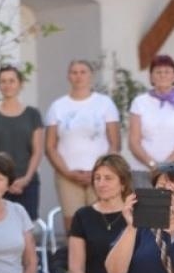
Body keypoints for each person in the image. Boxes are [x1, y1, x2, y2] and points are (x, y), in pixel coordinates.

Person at [44, 59, 121, 224]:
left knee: (101, 222)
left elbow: (114, 143)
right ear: (68, 76)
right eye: (74, 72)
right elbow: (50, 146)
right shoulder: (57, 106)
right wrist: (67, 172)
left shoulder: (105, 104)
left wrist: (100, 172)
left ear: (91, 76)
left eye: (83, 72)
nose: (78, 76)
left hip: (100, 176)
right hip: (68, 175)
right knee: (73, 224)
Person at [0, 65, 45, 219]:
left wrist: (26, 179)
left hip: (27, 182)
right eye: (3, 81)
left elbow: (37, 151)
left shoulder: (32, 115)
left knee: (27, 228)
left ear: (20, 84)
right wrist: (2, 180)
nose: (7, 85)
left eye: (11, 81)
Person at [128, 54, 174, 182]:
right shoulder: (139, 102)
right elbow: (134, 141)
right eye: (158, 72)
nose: (162, 75)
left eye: (167, 71)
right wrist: (153, 165)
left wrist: (166, 167)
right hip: (145, 171)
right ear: (151, 77)